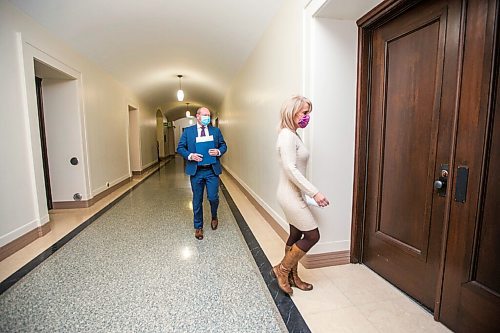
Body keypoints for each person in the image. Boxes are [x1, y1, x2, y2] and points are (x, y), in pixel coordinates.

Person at [272, 95, 330, 295]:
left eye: (308, 113)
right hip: (290, 194)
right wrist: (315, 193)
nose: (307, 117)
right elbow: (291, 169)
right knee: (312, 235)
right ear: (292, 112)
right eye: (305, 113)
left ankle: (292, 276)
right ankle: (282, 270)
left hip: (293, 192)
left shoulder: (293, 134)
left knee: (296, 234)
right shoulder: (287, 135)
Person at [177, 107, 227, 240]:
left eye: (209, 115)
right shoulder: (188, 132)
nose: (207, 118)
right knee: (197, 199)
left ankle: (214, 215)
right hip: (196, 171)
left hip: (211, 170)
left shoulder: (215, 131)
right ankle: (198, 227)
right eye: (205, 115)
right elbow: (180, 148)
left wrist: (218, 152)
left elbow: (223, 145)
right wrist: (190, 155)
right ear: (197, 116)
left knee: (213, 197)